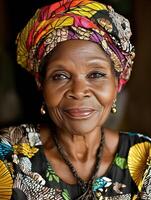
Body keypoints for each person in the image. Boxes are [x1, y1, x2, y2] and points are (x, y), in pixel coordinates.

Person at [0, 0, 151, 199]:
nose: (79, 91)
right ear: (41, 84)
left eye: (96, 74)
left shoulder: (145, 160)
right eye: (60, 76)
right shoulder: (9, 156)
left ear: (117, 84)